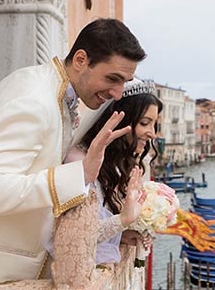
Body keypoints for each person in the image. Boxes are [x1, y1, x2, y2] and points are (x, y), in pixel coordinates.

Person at [0, 18, 146, 281]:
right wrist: (79, 175)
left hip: (19, 274)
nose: (118, 93)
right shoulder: (33, 101)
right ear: (81, 60)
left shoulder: (52, 93)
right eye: (113, 78)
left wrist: (114, 230)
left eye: (125, 82)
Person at [59, 79, 162, 264]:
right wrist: (122, 220)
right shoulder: (79, 161)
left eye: (153, 125)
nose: (152, 134)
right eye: (145, 123)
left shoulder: (117, 164)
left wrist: (120, 234)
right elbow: (76, 236)